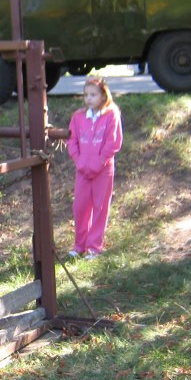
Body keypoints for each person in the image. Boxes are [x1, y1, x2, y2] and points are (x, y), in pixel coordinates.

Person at [66, 75, 123, 259]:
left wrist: (99, 162)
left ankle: (94, 247)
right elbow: (72, 141)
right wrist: (79, 161)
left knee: (100, 207)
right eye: (86, 95)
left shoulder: (111, 115)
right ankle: (79, 245)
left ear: (103, 96)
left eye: (93, 94)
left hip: (103, 171)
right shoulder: (78, 117)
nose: (89, 98)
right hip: (82, 171)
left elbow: (113, 142)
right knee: (80, 207)